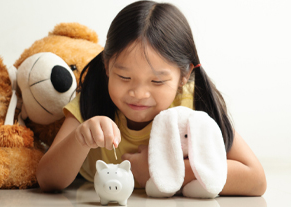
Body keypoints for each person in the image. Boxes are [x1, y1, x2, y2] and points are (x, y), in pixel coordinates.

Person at [36, 0, 266, 196]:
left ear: (184, 75)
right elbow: (47, 179)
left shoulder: (192, 105)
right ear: (107, 66)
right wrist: (81, 138)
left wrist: (163, 171)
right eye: (124, 77)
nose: (138, 93)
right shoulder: (93, 98)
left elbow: (255, 179)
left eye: (157, 82)